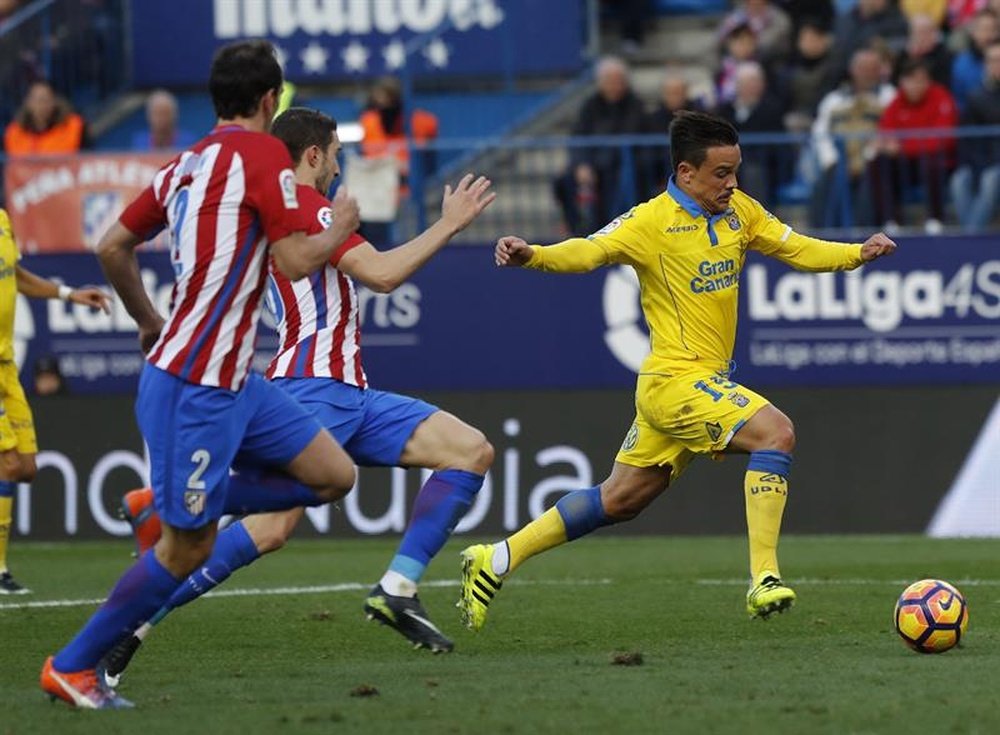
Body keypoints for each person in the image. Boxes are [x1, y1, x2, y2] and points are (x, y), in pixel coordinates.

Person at [96, 108, 496, 684]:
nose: (338, 165)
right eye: (335, 153)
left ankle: (396, 589)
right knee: (269, 529)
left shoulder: (280, 210)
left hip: (349, 392)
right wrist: (449, 224)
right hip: (313, 391)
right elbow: (381, 274)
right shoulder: (309, 206)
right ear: (313, 156)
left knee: (471, 450)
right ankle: (131, 625)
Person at [458, 110, 897, 633]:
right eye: (720, 174)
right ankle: (764, 577)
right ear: (686, 173)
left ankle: (496, 558)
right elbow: (590, 250)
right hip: (674, 382)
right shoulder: (651, 222)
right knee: (775, 433)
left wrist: (856, 253)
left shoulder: (741, 214)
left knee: (620, 500)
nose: (732, 183)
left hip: (701, 383)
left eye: (736, 171)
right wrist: (534, 254)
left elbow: (794, 245)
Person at [39, 39, 361, 710]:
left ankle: (164, 502)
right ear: (271, 101)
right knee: (188, 550)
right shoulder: (266, 154)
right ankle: (71, 665)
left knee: (334, 474)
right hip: (197, 384)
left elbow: (110, 245)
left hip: (234, 377)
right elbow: (298, 262)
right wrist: (342, 231)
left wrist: (149, 318)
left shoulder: (186, 163)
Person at [0, 211, 109, 595]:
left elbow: (16, 275)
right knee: (8, 464)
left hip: (7, 366)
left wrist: (68, 294)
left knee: (26, 467)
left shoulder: (2, 219)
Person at [554, 56, 645, 236]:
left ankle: (609, 233)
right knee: (562, 182)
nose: (613, 86)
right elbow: (578, 137)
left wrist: (596, 164)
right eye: (609, 81)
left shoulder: (634, 105)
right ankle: (576, 229)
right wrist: (582, 164)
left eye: (617, 81)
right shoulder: (590, 105)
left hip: (620, 165)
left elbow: (628, 137)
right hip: (590, 164)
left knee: (614, 182)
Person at [809, 48, 897, 228]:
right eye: (862, 68)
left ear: (879, 70)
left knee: (869, 188)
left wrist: (866, 158)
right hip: (838, 161)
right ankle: (821, 238)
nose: (866, 73)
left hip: (872, 161)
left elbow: (888, 131)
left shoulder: (889, 96)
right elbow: (820, 132)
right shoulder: (834, 99)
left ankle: (863, 238)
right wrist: (832, 160)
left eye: (872, 68)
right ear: (852, 70)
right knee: (821, 188)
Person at [871, 58, 958, 232]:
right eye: (911, 80)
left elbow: (942, 140)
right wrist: (889, 146)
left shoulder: (941, 97)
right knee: (879, 162)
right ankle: (891, 221)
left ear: (928, 81)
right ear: (902, 82)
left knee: (931, 163)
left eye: (921, 80)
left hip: (939, 161)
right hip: (907, 162)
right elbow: (885, 133)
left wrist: (902, 146)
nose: (916, 85)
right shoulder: (897, 102)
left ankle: (936, 218)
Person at [358, 76, 439, 246]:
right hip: (377, 190)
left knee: (406, 238)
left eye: (387, 98)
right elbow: (365, 154)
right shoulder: (369, 121)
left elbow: (431, 128)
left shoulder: (415, 121)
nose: (383, 103)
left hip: (404, 190)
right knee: (378, 241)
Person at [716, 62, 787, 201]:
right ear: (737, 85)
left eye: (754, 82)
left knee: (752, 172)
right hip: (729, 163)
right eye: (745, 82)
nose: (750, 87)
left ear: (762, 84)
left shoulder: (772, 109)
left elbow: (779, 147)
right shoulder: (724, 111)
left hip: (765, 165)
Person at [949, 40, 1000, 230]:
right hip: (982, 162)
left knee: (990, 180)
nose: (997, 65)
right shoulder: (975, 97)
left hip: (995, 167)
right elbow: (968, 139)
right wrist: (977, 165)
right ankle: (970, 235)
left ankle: (969, 239)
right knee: (959, 180)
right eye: (992, 60)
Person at [641, 72, 703, 197]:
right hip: (660, 171)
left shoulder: (699, 116)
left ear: (686, 92)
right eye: (670, 92)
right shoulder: (652, 118)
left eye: (678, 92)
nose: (674, 96)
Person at [3, 79, 86, 156]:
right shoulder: (14, 133)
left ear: (54, 101)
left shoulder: (73, 127)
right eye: (37, 100)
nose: (42, 105)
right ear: (28, 103)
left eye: (46, 99)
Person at [951, 9, 1000, 110]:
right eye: (984, 29)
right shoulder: (961, 64)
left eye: (993, 29)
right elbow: (958, 101)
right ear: (974, 32)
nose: (989, 34)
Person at [894, 13, 953, 86]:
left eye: (926, 31)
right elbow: (895, 81)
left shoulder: (943, 55)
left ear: (934, 34)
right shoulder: (904, 55)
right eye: (918, 32)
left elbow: (941, 83)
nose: (922, 37)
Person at [130, 89, 196, 151]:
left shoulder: (188, 142)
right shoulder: (140, 142)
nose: (161, 119)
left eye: (165, 113)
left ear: (174, 115)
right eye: (157, 114)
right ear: (149, 116)